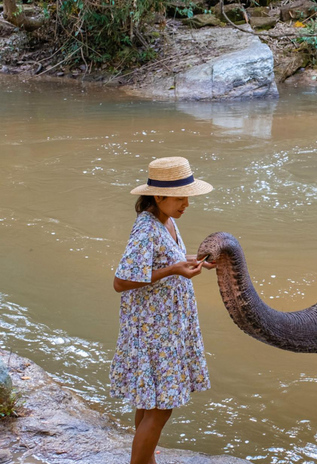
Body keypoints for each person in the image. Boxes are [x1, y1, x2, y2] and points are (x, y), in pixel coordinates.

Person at [110, 156, 216, 464]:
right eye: (181, 197)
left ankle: (146, 459)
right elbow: (120, 281)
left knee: (149, 402)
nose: (186, 204)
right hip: (153, 331)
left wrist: (197, 259)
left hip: (166, 326)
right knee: (162, 406)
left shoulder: (165, 221)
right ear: (158, 196)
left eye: (188, 197)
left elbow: (166, 259)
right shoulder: (145, 229)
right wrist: (173, 270)